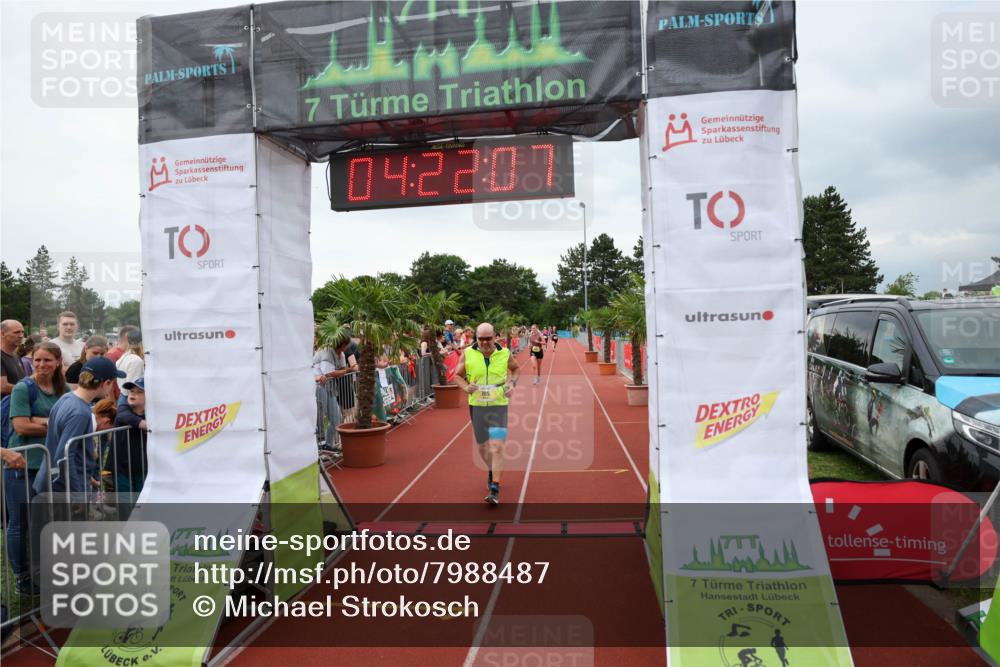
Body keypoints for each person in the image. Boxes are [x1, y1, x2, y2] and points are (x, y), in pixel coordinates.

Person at [4, 341, 67, 593]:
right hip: (22, 464)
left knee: (44, 521)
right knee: (19, 522)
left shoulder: (61, 389)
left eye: (47, 360)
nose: (41, 365)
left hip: (49, 465)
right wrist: (53, 423)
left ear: (58, 362)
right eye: (37, 360)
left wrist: (41, 420)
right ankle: (21, 577)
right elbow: (20, 426)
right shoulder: (23, 388)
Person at [33, 356, 124, 495]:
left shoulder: (66, 397)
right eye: (113, 383)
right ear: (106, 383)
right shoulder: (80, 412)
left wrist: (86, 478)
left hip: (55, 483)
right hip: (63, 489)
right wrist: (78, 493)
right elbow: (64, 456)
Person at [453, 322, 520, 505]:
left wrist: (512, 383)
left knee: (497, 446)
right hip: (478, 405)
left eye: (488, 338)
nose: (484, 342)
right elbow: (456, 375)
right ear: (476, 338)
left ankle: (495, 488)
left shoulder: (504, 353)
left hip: (499, 404)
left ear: (494, 337)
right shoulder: (468, 353)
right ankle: (491, 469)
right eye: (481, 339)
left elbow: (515, 369)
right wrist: (466, 386)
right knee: (483, 447)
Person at [109, 378, 148, 494]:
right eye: (131, 391)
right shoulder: (123, 408)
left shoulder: (152, 414)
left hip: (143, 468)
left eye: (139, 392)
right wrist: (142, 424)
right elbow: (123, 416)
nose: (133, 394)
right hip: (122, 468)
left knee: (142, 503)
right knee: (125, 505)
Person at [1, 319, 26, 395]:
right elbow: (3, 387)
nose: (21, 336)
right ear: (2, 334)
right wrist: (28, 390)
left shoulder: (16, 356)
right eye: (17, 332)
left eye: (22, 332)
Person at [115, 328, 144, 394]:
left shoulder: (125, 356)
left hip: (124, 396)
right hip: (129, 398)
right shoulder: (136, 360)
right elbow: (132, 388)